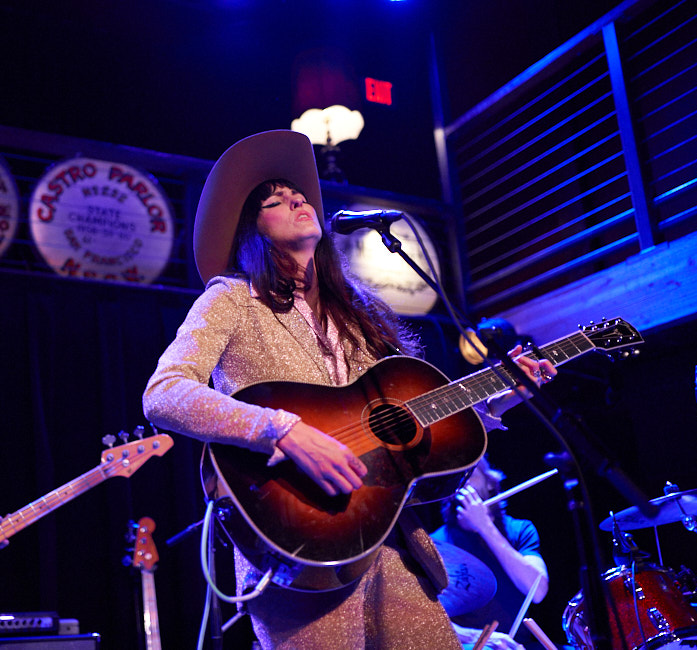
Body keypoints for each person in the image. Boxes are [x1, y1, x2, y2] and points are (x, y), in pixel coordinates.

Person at [142, 130, 556, 649]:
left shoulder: (358, 315)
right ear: (253, 231)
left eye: (298, 195)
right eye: (275, 200)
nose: (296, 199)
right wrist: (283, 430)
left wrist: (501, 395)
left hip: (393, 541)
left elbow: (411, 418)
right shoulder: (231, 298)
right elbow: (164, 393)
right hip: (296, 546)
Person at [432, 457, 550, 650]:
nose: (463, 483)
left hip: (518, 645)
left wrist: (484, 526)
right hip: (469, 645)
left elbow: (537, 591)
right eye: (457, 477)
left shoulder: (519, 529)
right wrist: (478, 637)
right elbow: (423, 616)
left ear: (489, 484)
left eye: (470, 475)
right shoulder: (433, 544)